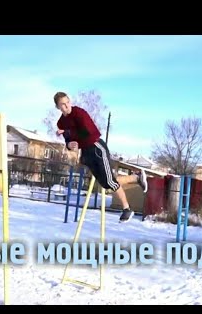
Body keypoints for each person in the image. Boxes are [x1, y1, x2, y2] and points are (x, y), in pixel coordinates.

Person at [54, 91, 148, 223]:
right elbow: (68, 140)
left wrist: (70, 133)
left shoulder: (80, 113)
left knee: (110, 181)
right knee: (106, 183)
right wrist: (70, 144)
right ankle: (136, 177)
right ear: (58, 107)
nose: (66, 106)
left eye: (67, 102)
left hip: (97, 147)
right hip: (86, 153)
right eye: (62, 105)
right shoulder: (61, 123)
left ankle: (127, 209)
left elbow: (87, 132)